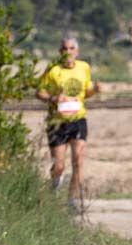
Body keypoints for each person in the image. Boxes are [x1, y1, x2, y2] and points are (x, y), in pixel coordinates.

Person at [35, 36, 99, 212]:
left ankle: (72, 201)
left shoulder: (84, 68)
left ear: (77, 52)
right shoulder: (53, 70)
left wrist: (96, 90)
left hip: (78, 119)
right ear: (60, 52)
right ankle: (54, 192)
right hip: (57, 121)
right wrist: (54, 98)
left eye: (71, 49)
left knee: (78, 160)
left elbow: (86, 93)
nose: (68, 52)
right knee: (59, 165)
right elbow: (39, 93)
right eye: (64, 49)